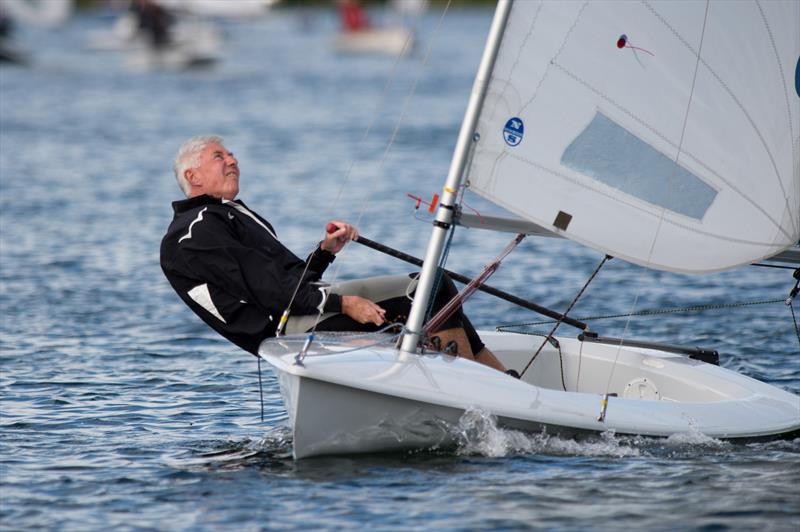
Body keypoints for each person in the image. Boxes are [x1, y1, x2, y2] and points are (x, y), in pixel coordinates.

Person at [160, 135, 510, 374]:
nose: (233, 159)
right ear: (192, 176)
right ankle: (485, 395)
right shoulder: (195, 231)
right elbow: (269, 290)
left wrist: (324, 253)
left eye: (231, 154)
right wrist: (343, 304)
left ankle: (502, 386)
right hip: (287, 332)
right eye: (219, 156)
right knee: (430, 289)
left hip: (301, 311)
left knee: (435, 286)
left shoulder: (227, 214)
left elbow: (286, 279)